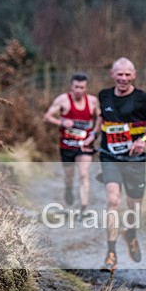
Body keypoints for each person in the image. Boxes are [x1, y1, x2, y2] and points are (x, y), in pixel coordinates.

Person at [96, 57, 146, 272]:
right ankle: (111, 254)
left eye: (127, 74)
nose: (123, 78)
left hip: (135, 160)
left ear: (134, 75)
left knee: (133, 206)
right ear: (112, 75)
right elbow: (102, 121)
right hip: (109, 157)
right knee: (112, 201)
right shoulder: (104, 96)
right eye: (119, 74)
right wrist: (92, 137)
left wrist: (144, 140)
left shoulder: (143, 99)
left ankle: (131, 234)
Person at [43, 72, 100, 215]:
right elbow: (47, 117)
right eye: (76, 87)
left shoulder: (92, 101)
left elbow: (100, 118)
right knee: (69, 176)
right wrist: (61, 121)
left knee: (84, 173)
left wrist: (93, 135)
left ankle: (84, 207)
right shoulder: (63, 100)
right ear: (71, 87)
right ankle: (68, 189)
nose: (79, 90)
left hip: (84, 145)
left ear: (86, 88)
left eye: (82, 87)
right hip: (67, 145)